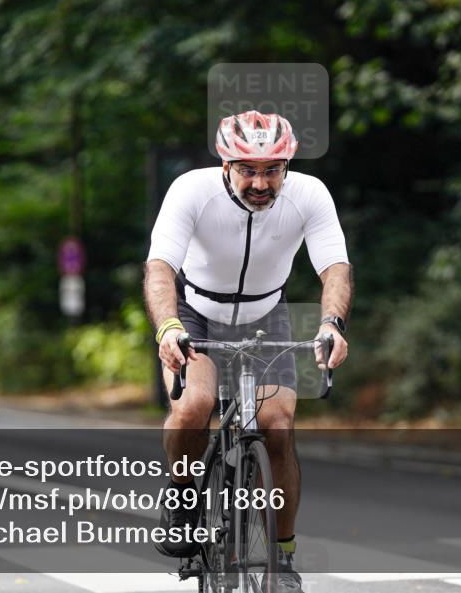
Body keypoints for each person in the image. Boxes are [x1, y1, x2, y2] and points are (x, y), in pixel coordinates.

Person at [144, 111, 352, 593]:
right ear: (225, 165)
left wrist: (332, 324)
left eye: (272, 170)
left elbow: (335, 268)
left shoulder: (309, 195)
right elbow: (159, 268)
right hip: (195, 311)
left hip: (265, 313)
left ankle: (283, 557)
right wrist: (169, 328)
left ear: (287, 167)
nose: (260, 183)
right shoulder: (191, 190)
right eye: (247, 170)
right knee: (193, 407)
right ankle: (182, 493)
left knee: (277, 426)